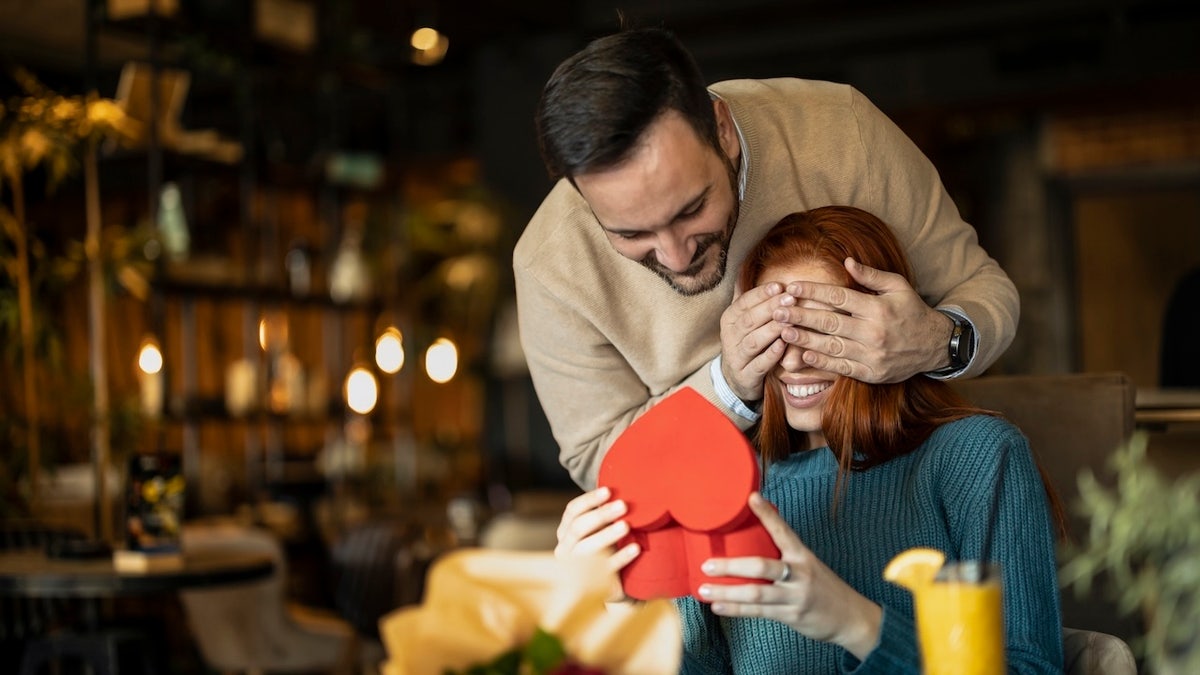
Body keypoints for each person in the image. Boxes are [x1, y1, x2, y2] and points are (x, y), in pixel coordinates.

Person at [554, 206, 1064, 674]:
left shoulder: (978, 456)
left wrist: (851, 620)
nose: (795, 360)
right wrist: (622, 608)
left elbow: (1031, 669)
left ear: (887, 331)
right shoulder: (719, 482)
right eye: (777, 332)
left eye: (826, 330)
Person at [514, 27, 1019, 489]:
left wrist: (935, 342)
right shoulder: (550, 266)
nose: (676, 255)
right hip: (707, 518)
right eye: (631, 233)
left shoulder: (843, 132)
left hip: (901, 471)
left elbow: (981, 285)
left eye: (691, 209)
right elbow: (600, 462)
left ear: (723, 131)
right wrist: (728, 386)